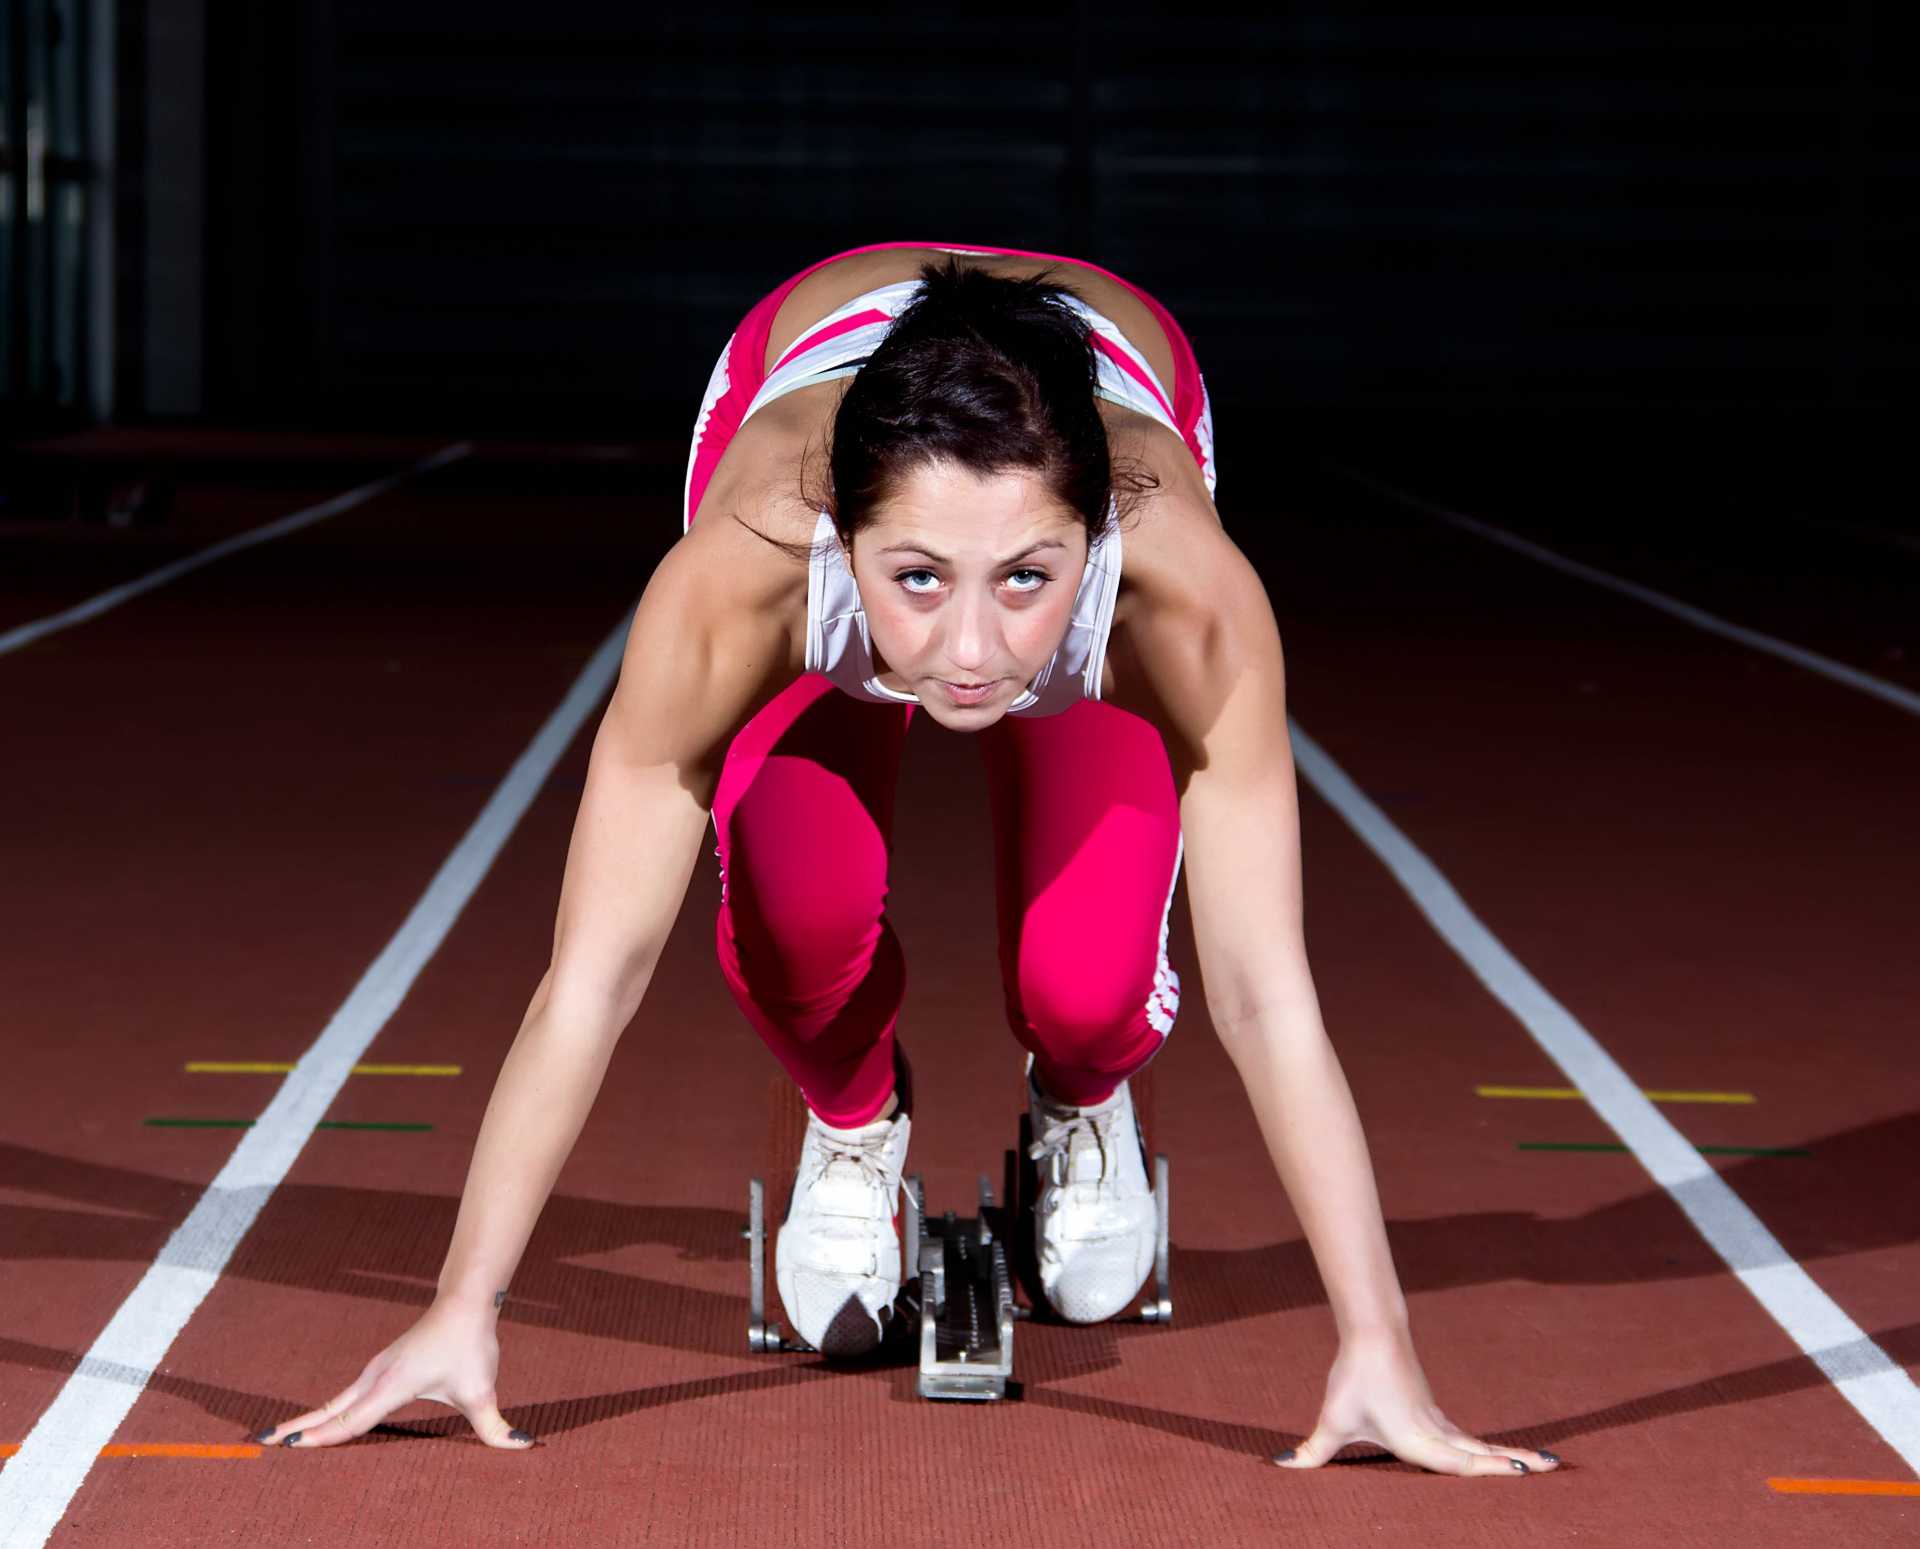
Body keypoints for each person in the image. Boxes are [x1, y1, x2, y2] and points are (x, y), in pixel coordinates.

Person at [258, 241, 1561, 1477]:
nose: (978, 650)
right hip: (807, 382)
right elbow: (592, 975)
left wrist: (1379, 1342)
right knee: (796, 908)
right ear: (848, 530)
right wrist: (460, 1304)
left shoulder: (1186, 592)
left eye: (1029, 579)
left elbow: (1266, 993)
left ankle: (1082, 1099)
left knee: (1091, 981)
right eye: (920, 579)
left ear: (1098, 536)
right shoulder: (747, 576)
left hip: (1105, 365)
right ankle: (850, 1115)